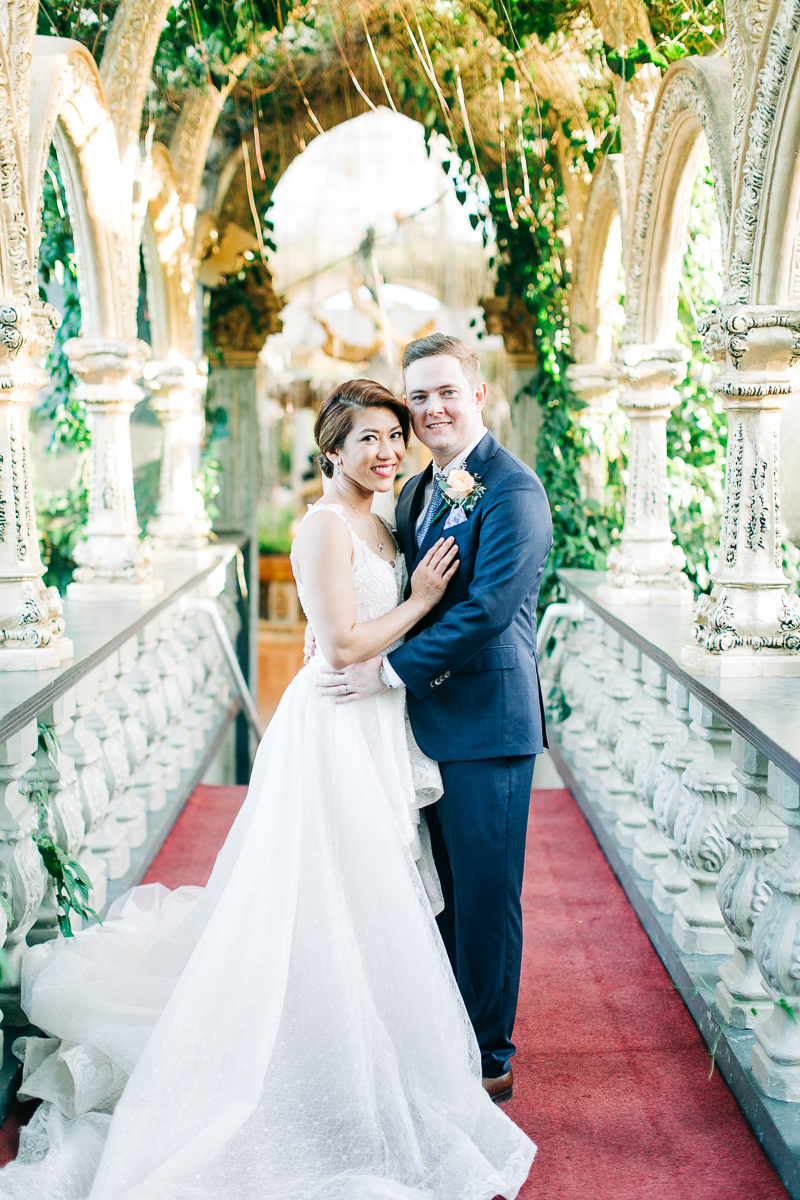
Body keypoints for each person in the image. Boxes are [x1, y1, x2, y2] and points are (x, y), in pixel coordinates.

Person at [0, 378, 534, 1200]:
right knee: (329, 885)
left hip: (381, 720)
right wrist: (423, 599)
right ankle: (316, 1045)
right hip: (336, 720)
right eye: (368, 438)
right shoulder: (322, 526)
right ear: (332, 450)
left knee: (379, 887)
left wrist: (411, 616)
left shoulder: (391, 517)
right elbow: (343, 644)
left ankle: (375, 1036)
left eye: (395, 435)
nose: (388, 450)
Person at [316, 335, 553, 1102]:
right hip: (416, 728)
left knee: (484, 895)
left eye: (446, 391)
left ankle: (488, 1054)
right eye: (418, 396)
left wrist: (385, 671)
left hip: (486, 725)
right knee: (435, 889)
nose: (432, 409)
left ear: (478, 394)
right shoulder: (417, 490)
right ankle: (441, 1034)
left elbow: (488, 610)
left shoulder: (513, 491)